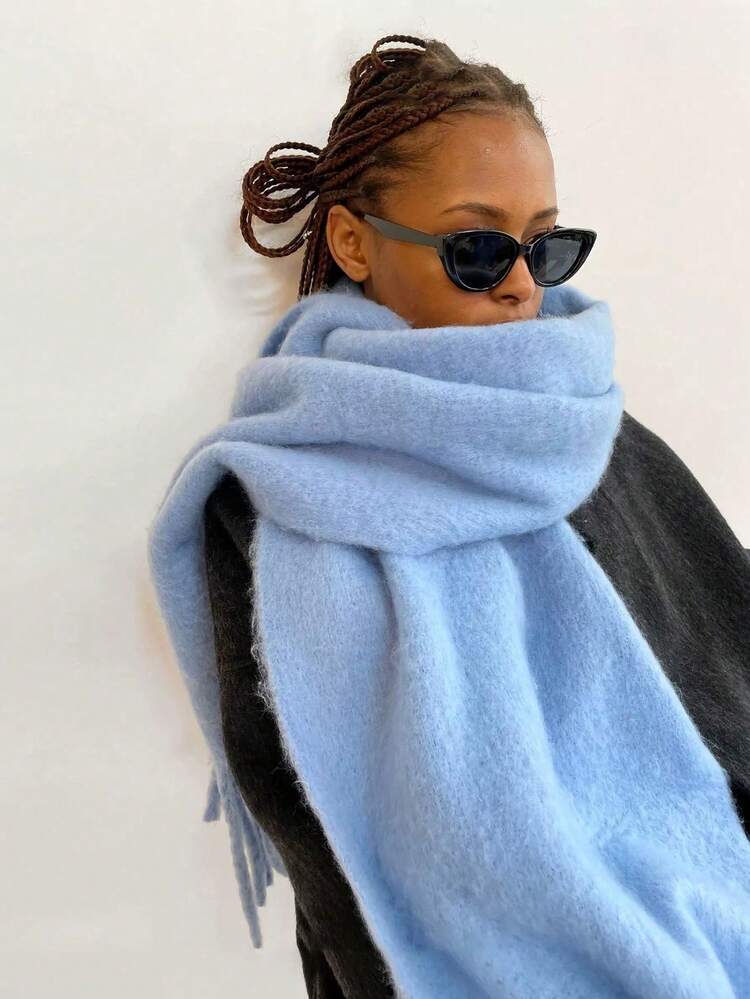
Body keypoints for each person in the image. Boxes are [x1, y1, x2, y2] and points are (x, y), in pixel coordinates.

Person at [170, 33, 750, 999]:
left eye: (546, 244)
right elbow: (316, 830)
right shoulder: (272, 492)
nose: (524, 283)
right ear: (354, 242)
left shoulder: (590, 433)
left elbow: (721, 689)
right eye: (477, 249)